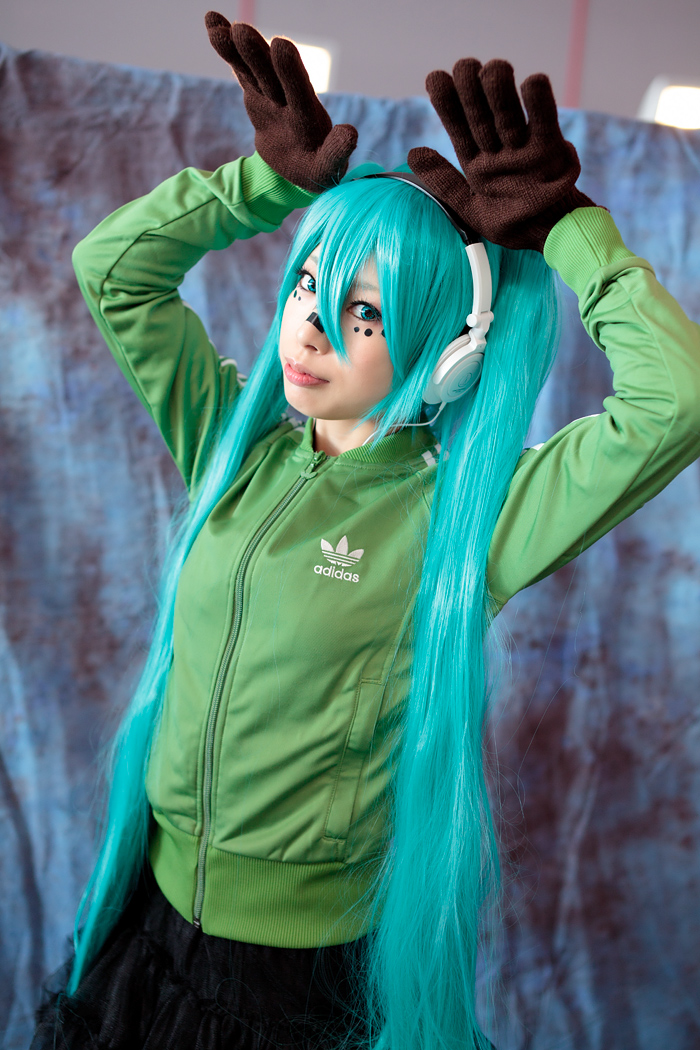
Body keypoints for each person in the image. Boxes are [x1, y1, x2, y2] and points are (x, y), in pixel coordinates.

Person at [31, 14, 700, 1050]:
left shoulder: (469, 521)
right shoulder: (231, 444)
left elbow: (676, 402)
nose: (310, 327)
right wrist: (263, 186)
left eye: (366, 313)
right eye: (309, 285)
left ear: (445, 357)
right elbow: (112, 270)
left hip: (288, 981)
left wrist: (568, 229)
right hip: (147, 921)